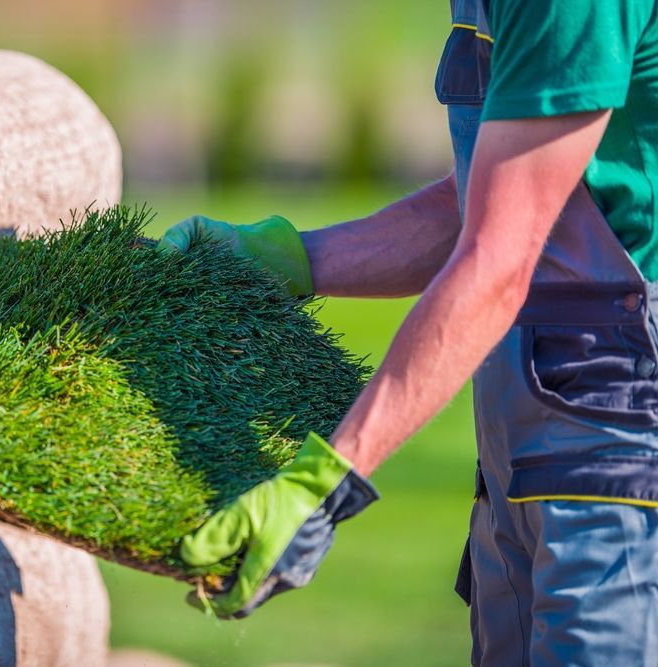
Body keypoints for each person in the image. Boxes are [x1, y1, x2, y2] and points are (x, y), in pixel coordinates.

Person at [160, 1, 658, 664]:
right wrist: (292, 258)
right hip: (526, 446)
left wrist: (325, 480)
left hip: (618, 456)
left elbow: (497, 260)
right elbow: (486, 202)